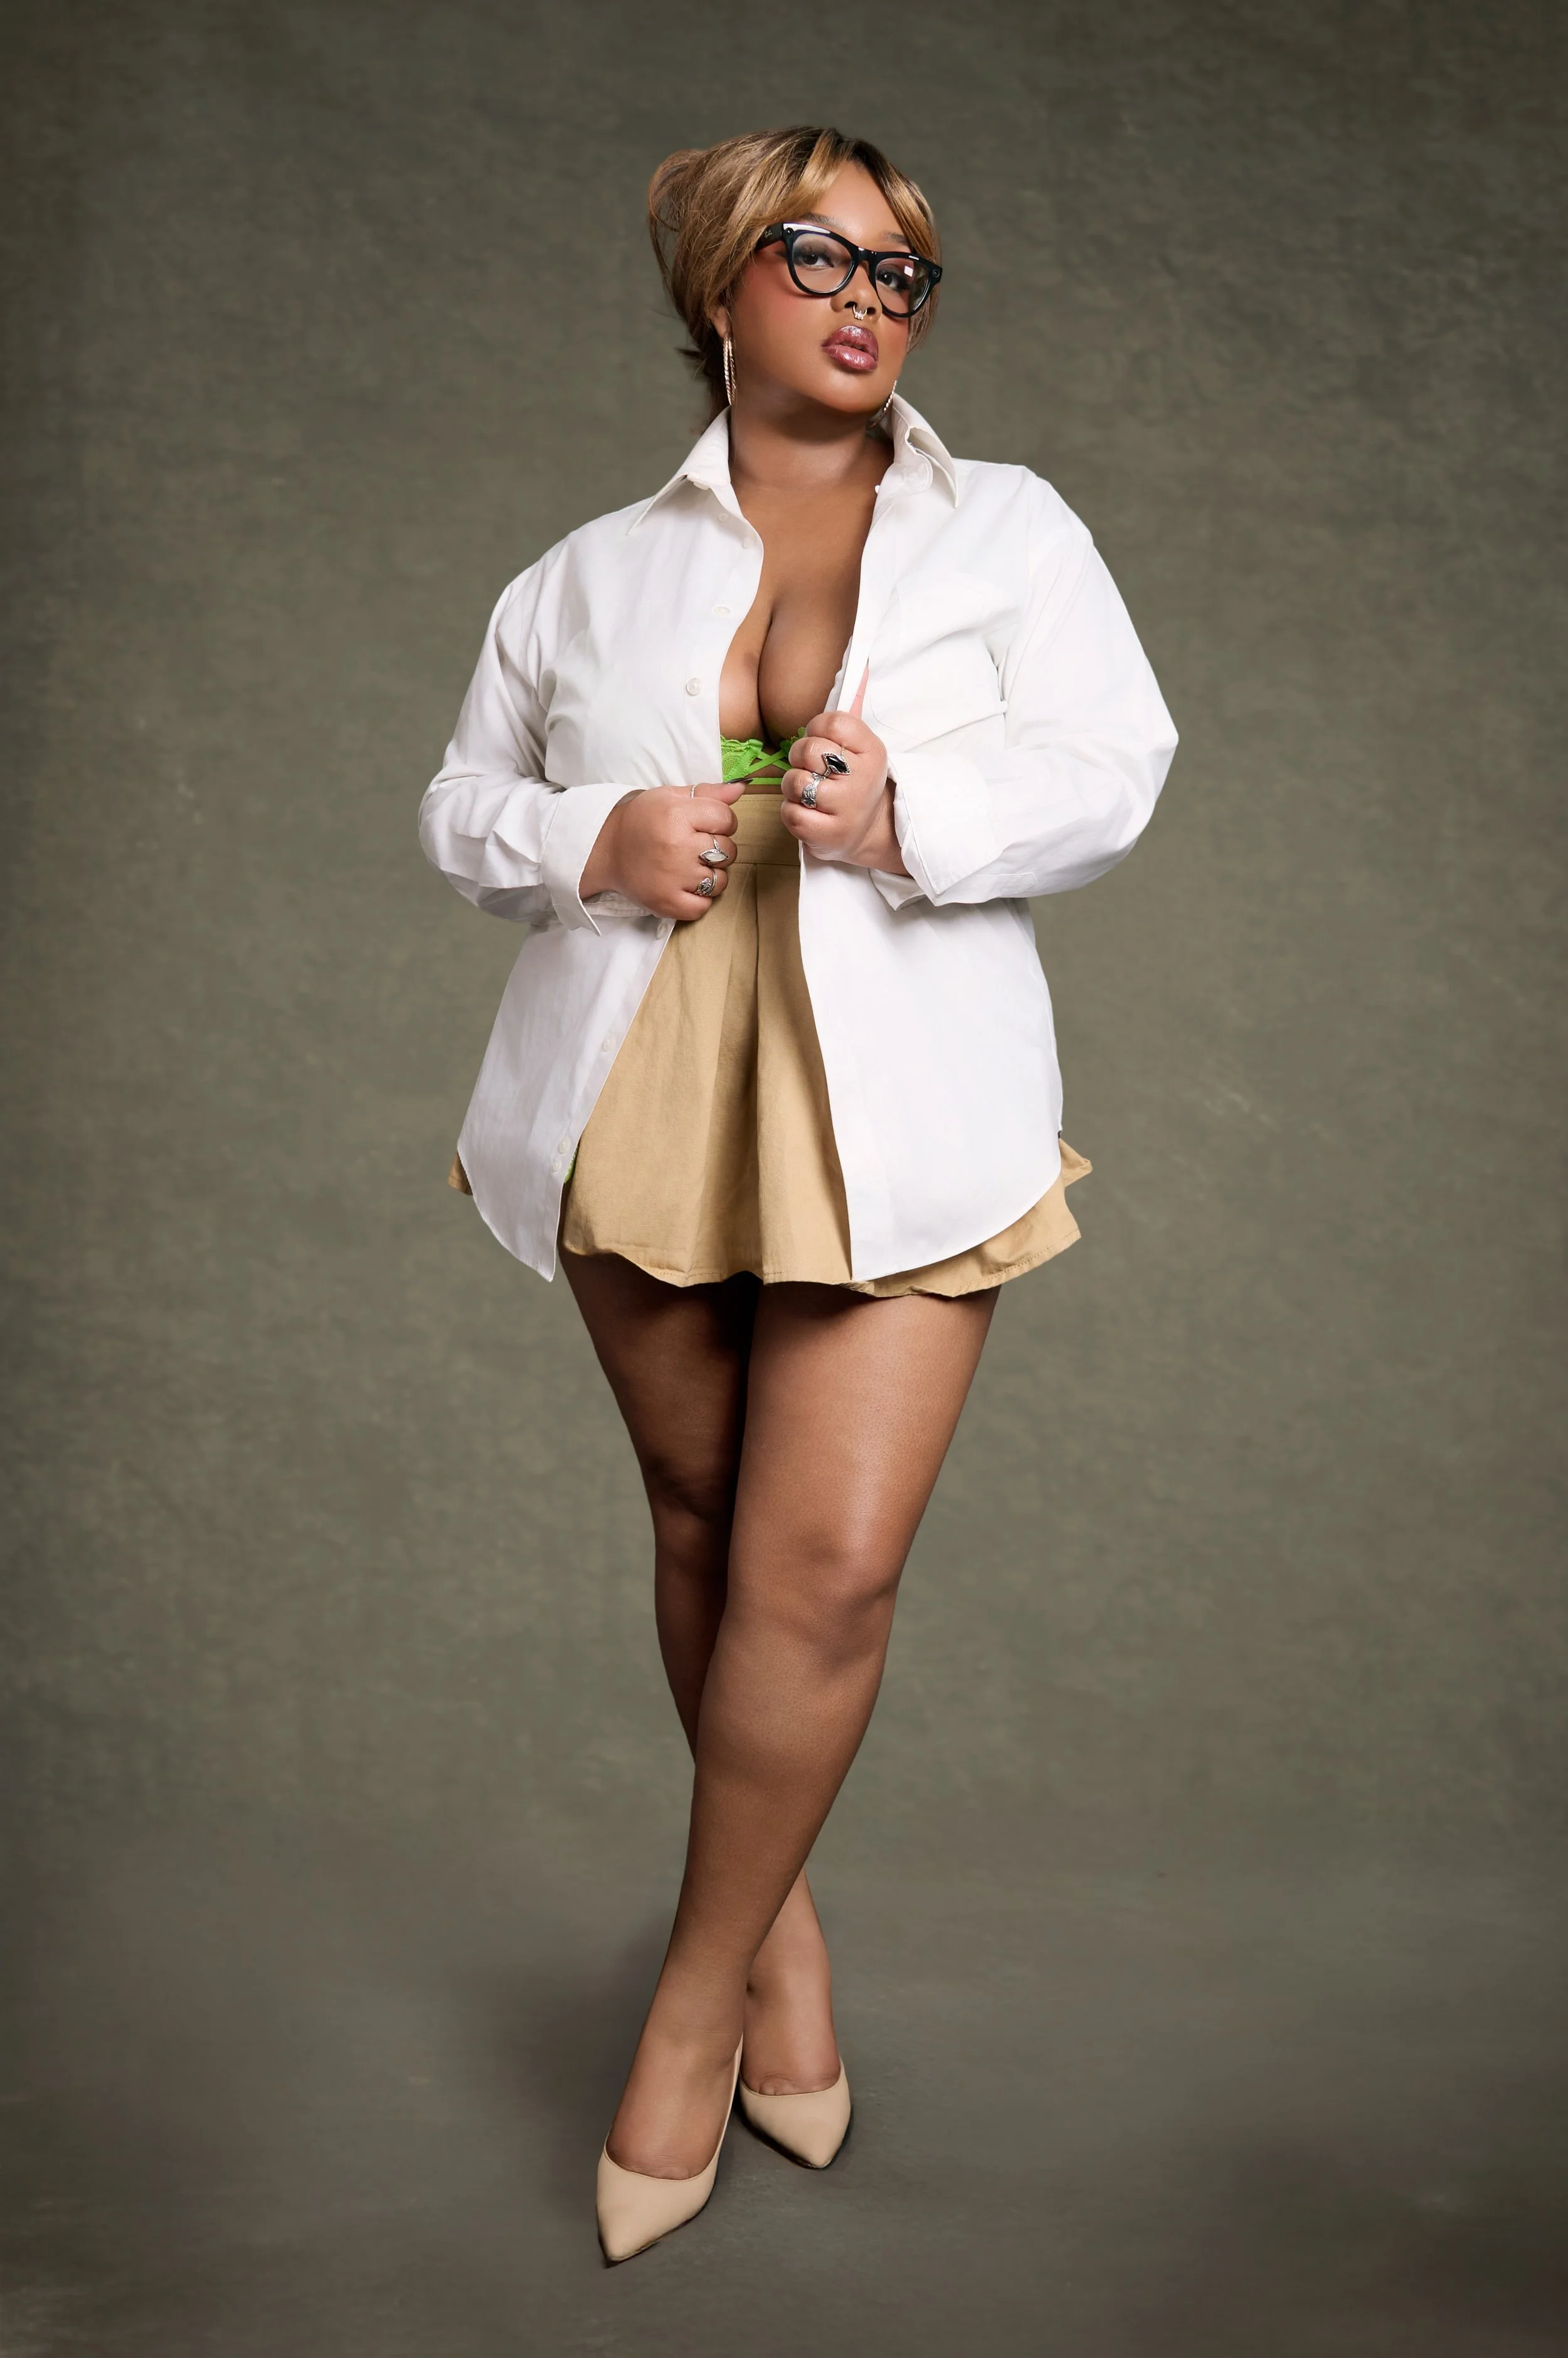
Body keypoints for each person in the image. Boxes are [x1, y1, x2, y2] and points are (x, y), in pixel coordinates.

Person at [419, 124, 1176, 2263]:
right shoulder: (575, 576)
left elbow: (1117, 763)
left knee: (821, 1564)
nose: (866, 301)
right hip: (649, 1067)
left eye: (903, 273)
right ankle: (790, 1947)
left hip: (900, 1084)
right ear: (717, 288)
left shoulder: (1007, 529)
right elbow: (459, 798)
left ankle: (692, 1991)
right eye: (816, 256)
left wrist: (908, 807)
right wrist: (593, 842)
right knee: (702, 1519)